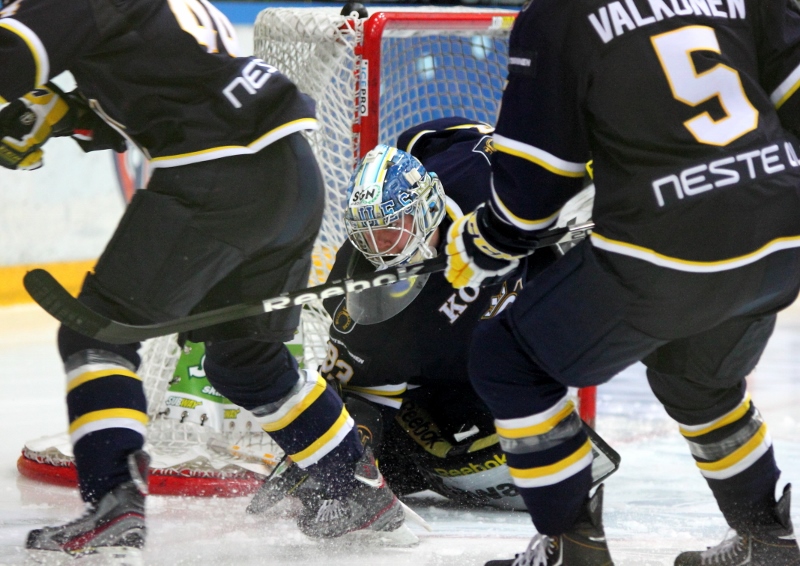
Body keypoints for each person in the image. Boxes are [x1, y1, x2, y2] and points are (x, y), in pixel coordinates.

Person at [0, 0, 404, 560]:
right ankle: (354, 488)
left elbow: (11, 58)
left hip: (217, 177)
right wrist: (66, 113)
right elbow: (163, 81)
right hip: (290, 175)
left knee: (96, 334)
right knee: (248, 361)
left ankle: (114, 503)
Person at [443, 0, 800, 565]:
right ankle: (765, 540)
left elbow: (533, 193)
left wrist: (486, 237)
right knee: (697, 380)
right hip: (783, 235)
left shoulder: (557, 15)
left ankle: (572, 547)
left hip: (666, 252)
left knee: (506, 359)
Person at [246, 118, 612, 516]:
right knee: (405, 464)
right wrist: (334, 465)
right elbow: (359, 398)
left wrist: (599, 187)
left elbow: (438, 137)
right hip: (436, 385)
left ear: (428, 208)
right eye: (366, 234)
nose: (378, 247)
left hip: (509, 340)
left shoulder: (489, 184)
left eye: (389, 229)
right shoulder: (362, 298)